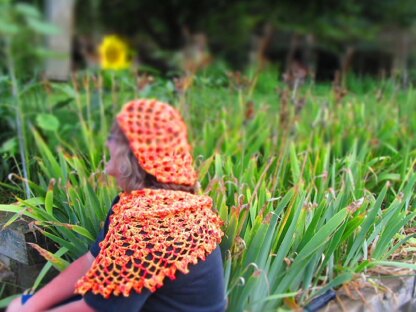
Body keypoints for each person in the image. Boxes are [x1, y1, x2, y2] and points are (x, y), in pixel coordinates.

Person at [7, 99, 226, 312]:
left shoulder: (151, 225)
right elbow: (91, 261)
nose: (106, 144)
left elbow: (99, 309)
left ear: (128, 151)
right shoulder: (144, 204)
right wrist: (33, 304)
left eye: (112, 137)